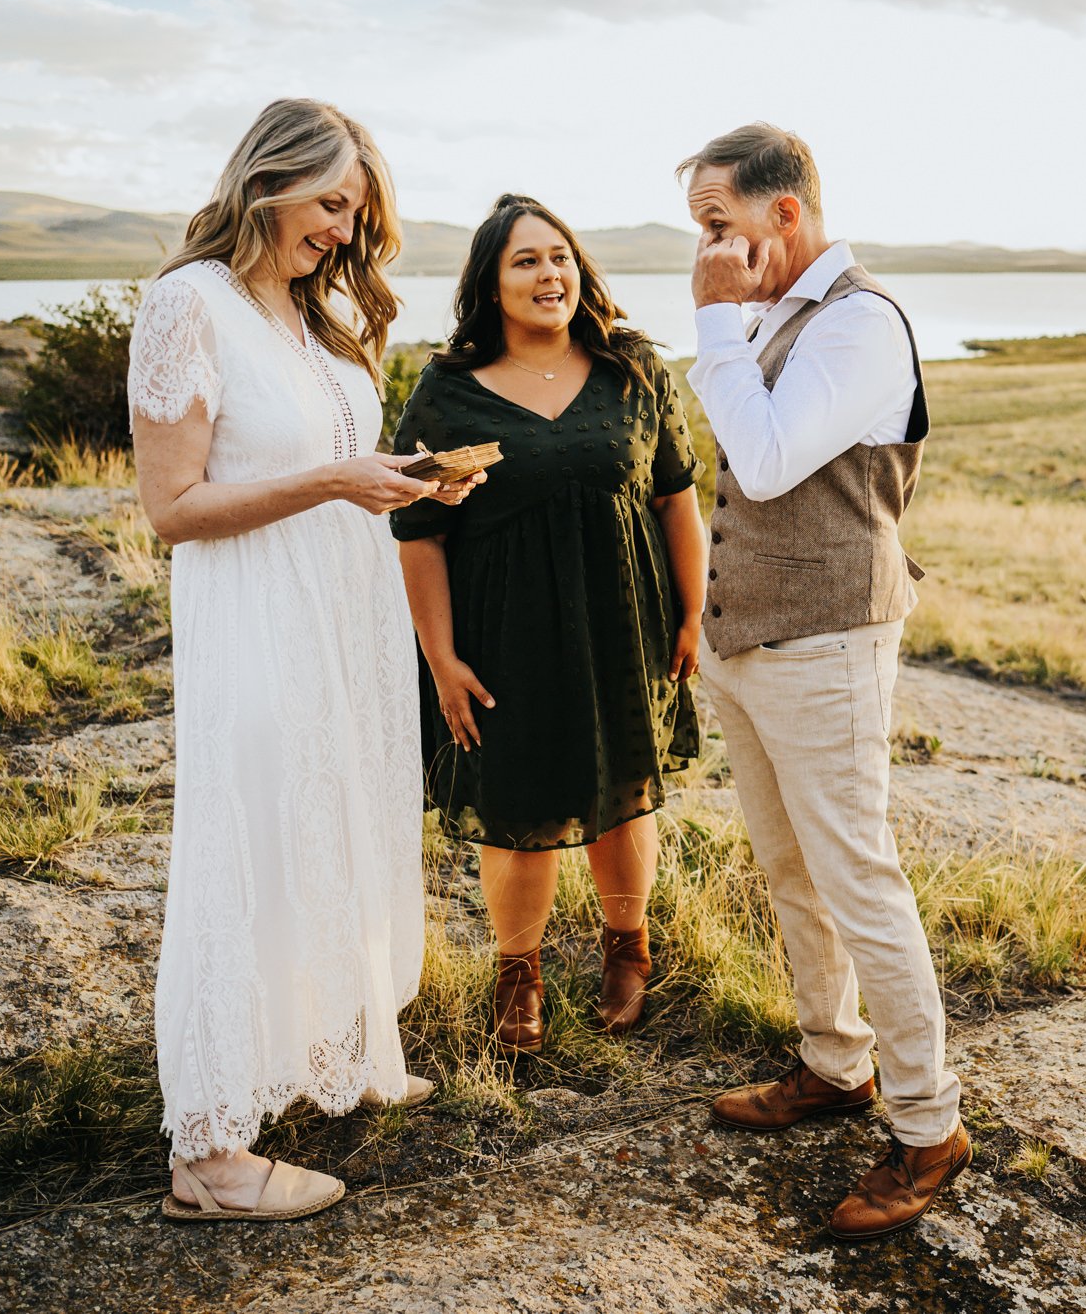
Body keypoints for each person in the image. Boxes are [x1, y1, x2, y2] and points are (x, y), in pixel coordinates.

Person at [129, 98, 474, 1222]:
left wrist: (406, 475)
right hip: (257, 623)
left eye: (356, 210)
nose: (341, 227)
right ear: (265, 181)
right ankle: (213, 1151)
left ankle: (334, 1050)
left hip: (345, 619)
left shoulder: (311, 313)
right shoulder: (190, 306)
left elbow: (331, 457)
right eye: (329, 203)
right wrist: (337, 483)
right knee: (251, 845)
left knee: (336, 827)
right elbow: (172, 508)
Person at [679, 123, 970, 1240]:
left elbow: (759, 460)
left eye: (719, 224)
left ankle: (926, 1126)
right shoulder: (784, 318)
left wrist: (709, 321)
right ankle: (831, 1062)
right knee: (788, 868)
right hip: (750, 643)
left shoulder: (858, 327)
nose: (708, 246)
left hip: (827, 646)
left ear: (782, 215)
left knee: (859, 879)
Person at [388, 194, 706, 1054]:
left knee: (626, 793)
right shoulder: (447, 391)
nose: (548, 274)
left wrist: (692, 614)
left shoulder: (634, 369)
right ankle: (516, 973)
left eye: (559, 256)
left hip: (625, 620)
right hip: (504, 633)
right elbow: (419, 535)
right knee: (518, 805)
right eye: (525, 261)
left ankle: (626, 951)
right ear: (490, 284)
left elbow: (678, 500)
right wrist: (442, 658)